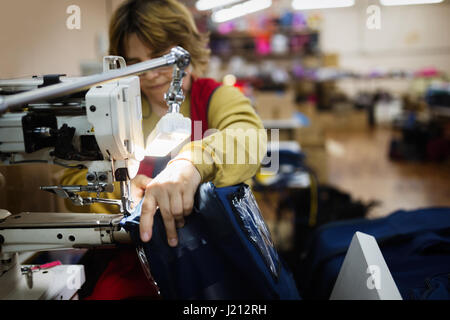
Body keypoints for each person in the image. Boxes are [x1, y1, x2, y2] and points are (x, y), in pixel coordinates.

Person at [61, 0, 267, 299]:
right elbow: (71, 180)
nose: (151, 74)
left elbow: (249, 138)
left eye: (160, 58)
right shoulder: (114, 115)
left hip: (217, 258)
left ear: (187, 49)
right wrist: (121, 192)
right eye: (136, 63)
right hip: (134, 256)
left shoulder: (216, 98)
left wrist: (191, 164)